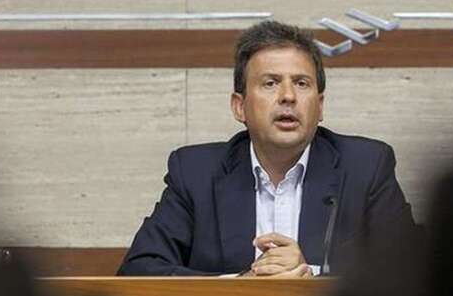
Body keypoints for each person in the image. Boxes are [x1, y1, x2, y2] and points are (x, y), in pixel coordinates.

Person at [117, 21, 415, 277]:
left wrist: (308, 276)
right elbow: (139, 270)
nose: (288, 96)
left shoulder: (366, 167)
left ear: (320, 105)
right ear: (239, 106)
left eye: (301, 83)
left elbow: (409, 275)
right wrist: (243, 283)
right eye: (270, 83)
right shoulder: (196, 173)